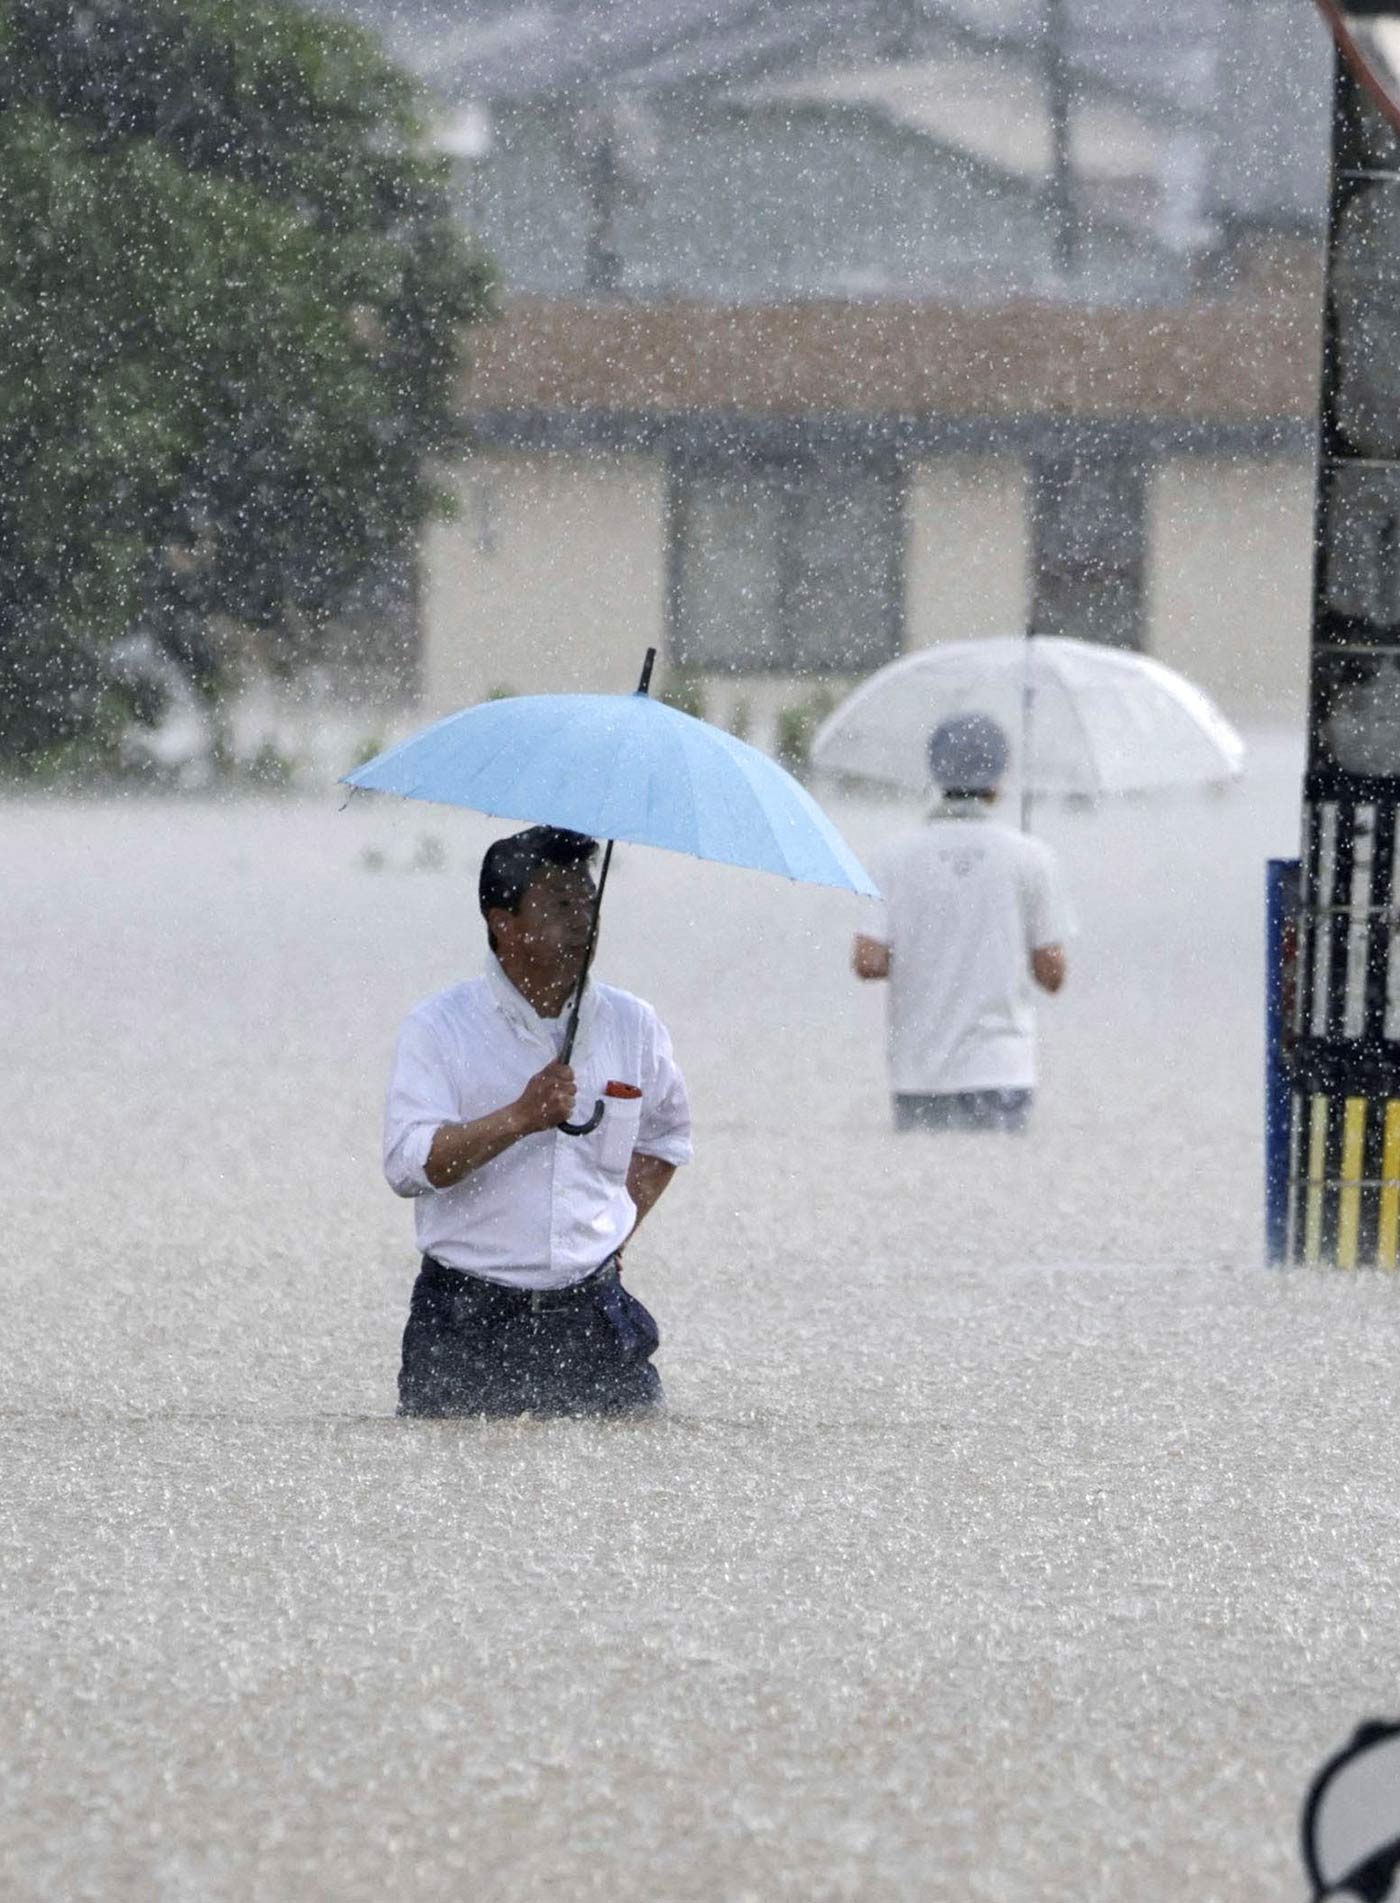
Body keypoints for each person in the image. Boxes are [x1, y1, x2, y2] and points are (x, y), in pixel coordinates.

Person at [383, 825, 692, 1416]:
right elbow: (406, 1165)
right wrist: (519, 1118)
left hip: (593, 1317)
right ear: (503, 921)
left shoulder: (634, 1024)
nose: (582, 920)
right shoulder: (439, 1027)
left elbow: (665, 1138)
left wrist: (613, 1231)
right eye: (559, 903)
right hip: (466, 1321)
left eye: (588, 901)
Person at [851, 712, 1072, 1134]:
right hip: (1002, 1070)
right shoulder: (1032, 858)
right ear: (999, 777)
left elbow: (868, 961)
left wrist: (930, 944)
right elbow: (1052, 974)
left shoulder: (892, 858)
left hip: (918, 1071)